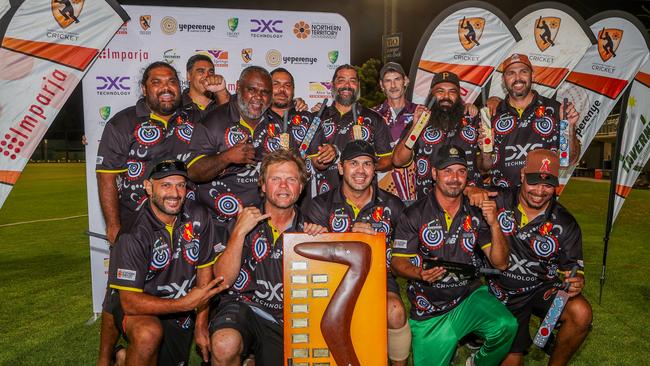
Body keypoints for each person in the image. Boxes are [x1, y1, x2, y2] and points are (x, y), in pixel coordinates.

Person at [96, 61, 200, 366]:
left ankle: (132, 354)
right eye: (157, 82)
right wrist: (114, 224)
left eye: (171, 82)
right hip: (133, 220)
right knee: (118, 291)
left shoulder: (191, 118)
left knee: (169, 280)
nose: (165, 88)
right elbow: (106, 175)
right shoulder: (123, 123)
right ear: (144, 89)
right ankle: (104, 357)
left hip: (177, 217)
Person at [391, 145, 517, 366]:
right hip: (429, 309)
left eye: (460, 171)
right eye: (447, 171)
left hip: (467, 297)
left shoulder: (475, 211)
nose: (454, 178)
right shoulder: (414, 214)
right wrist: (420, 273)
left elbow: (501, 263)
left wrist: (495, 223)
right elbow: (397, 262)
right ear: (434, 174)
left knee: (506, 325)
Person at [208, 149, 327, 366]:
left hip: (288, 315)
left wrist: (321, 245)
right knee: (225, 344)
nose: (283, 186)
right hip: (245, 306)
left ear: (300, 188)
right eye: (275, 179)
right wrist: (238, 233)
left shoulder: (310, 230)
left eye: (291, 179)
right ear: (262, 185)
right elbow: (222, 280)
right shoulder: (242, 221)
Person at [107, 159, 225, 365]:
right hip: (143, 305)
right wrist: (184, 304)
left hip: (180, 307)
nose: (175, 193)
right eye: (166, 185)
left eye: (181, 185)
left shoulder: (199, 215)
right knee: (147, 334)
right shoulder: (133, 233)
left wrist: (200, 325)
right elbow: (129, 302)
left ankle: (123, 358)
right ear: (148, 186)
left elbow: (204, 275)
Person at [303, 140, 410, 365]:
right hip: (334, 278)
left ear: (374, 169)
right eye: (353, 163)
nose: (360, 170)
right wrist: (336, 238)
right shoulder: (320, 205)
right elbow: (309, 254)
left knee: (395, 311)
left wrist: (375, 244)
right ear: (341, 168)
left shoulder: (394, 206)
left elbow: (404, 253)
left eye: (367, 164)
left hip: (378, 276)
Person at [485, 149, 592, 366]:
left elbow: (573, 269)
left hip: (543, 289)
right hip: (504, 291)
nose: (540, 191)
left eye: (548, 184)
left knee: (581, 313)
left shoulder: (565, 223)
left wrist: (576, 281)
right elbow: (461, 190)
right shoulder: (499, 199)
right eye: (534, 182)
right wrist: (472, 192)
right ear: (523, 175)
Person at [483, 53, 580, 188]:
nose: (518, 78)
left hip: (539, 198)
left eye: (523, 71)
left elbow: (567, 161)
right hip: (501, 199)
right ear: (503, 80)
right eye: (511, 73)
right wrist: (485, 153)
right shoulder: (491, 113)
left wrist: (569, 128)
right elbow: (483, 167)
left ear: (532, 75)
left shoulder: (555, 110)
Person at [393, 72, 489, 200]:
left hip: (470, 202)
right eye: (440, 91)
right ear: (431, 94)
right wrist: (415, 128)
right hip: (429, 204)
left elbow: (485, 168)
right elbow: (398, 161)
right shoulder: (420, 122)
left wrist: (486, 152)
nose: (446, 96)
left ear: (459, 96)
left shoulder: (473, 121)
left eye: (452, 92)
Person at [314, 64, 393, 195]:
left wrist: (365, 165)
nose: (347, 85)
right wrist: (329, 156)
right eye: (341, 80)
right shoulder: (318, 118)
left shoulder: (373, 119)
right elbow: (315, 162)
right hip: (327, 198)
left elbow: (388, 160)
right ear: (332, 85)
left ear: (358, 85)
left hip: (365, 199)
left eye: (352, 81)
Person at [266, 67, 337, 198]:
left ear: (293, 91)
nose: (282, 89)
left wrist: (326, 156)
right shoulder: (257, 118)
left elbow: (318, 162)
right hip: (266, 197)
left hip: (302, 197)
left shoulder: (308, 119)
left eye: (287, 85)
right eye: (276, 84)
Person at [372, 62, 419, 201]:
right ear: (381, 85)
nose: (393, 86)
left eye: (397, 79)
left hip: (414, 189)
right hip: (381, 189)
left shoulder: (420, 112)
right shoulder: (371, 115)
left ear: (406, 81)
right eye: (388, 81)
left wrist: (469, 108)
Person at [182, 53, 231, 118]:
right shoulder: (176, 104)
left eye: (211, 72)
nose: (207, 76)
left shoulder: (222, 101)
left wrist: (221, 91)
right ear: (188, 76)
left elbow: (233, 117)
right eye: (201, 71)